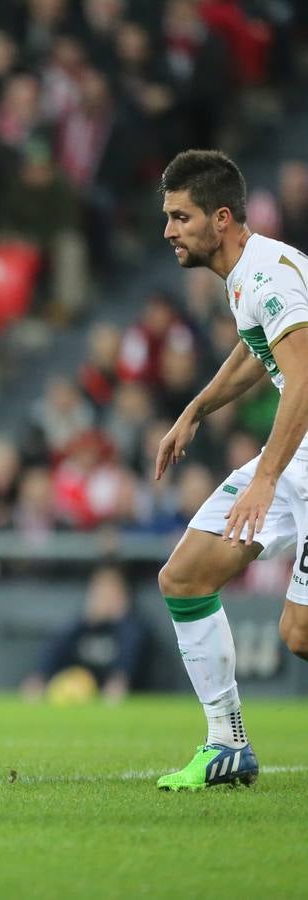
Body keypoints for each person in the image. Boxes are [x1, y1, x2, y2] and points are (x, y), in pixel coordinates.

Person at [151, 149, 308, 790]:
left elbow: (303, 377)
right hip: (296, 455)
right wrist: (197, 408)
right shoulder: (246, 274)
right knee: (185, 578)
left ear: (221, 218)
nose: (169, 231)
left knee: (299, 634)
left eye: (180, 217)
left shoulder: (268, 273)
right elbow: (258, 348)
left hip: (296, 454)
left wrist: (266, 477)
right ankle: (227, 745)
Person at [19, 565, 150, 704]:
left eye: (110, 593)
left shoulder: (133, 628)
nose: (104, 599)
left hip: (124, 695)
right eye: (100, 593)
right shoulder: (82, 625)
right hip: (83, 689)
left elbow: (133, 650)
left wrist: (121, 619)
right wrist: (40, 675)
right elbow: (57, 646)